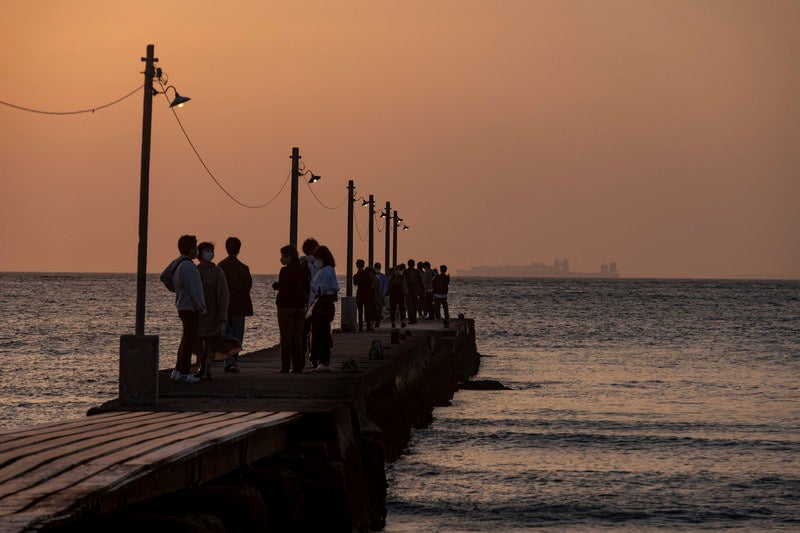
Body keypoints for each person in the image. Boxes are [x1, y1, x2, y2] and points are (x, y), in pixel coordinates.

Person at [162, 235, 205, 383]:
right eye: (195, 247)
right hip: (190, 307)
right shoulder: (189, 266)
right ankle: (185, 372)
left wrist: (176, 289)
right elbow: (195, 290)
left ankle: (178, 370)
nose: (197, 250)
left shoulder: (177, 263)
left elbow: (164, 276)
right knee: (189, 340)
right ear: (191, 248)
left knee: (185, 338)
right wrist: (201, 307)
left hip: (182, 305)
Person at [217, 236, 253, 373]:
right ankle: (232, 361)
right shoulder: (243, 267)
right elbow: (248, 286)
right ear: (239, 249)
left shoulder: (220, 267)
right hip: (239, 306)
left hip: (225, 306)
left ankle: (229, 360)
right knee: (237, 335)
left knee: (227, 334)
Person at [273, 244, 310, 373]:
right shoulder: (302, 271)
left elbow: (284, 287)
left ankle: (285, 366)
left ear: (288, 257)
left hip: (285, 307)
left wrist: (276, 286)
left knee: (286, 337)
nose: (281, 259)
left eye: (282, 256)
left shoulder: (285, 271)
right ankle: (298, 366)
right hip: (300, 307)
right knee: (298, 338)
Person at [195, 242, 229, 379]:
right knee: (198, 342)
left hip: (213, 312)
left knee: (210, 342)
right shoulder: (195, 270)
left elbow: (223, 294)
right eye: (207, 250)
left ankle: (207, 367)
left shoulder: (217, 271)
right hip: (198, 313)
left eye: (211, 250)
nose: (209, 253)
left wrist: (223, 315)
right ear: (200, 253)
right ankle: (200, 365)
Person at [309, 245, 339, 372]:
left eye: (317, 258)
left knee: (322, 333)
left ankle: (324, 361)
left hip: (324, 304)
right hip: (324, 304)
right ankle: (322, 360)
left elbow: (322, 289)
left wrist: (310, 285)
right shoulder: (326, 269)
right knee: (320, 333)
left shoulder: (327, 270)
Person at [299, 237, 320, 362]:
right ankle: (314, 356)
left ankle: (300, 357)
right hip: (316, 302)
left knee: (303, 332)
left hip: (303, 302)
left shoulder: (301, 263)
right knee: (315, 331)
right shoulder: (320, 264)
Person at [353, 259, 375, 332]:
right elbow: (371, 284)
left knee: (360, 311)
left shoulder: (356, 275)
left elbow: (355, 283)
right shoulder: (367, 274)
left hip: (360, 294)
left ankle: (360, 328)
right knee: (367, 310)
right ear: (363, 265)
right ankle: (368, 326)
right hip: (367, 294)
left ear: (357, 266)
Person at [404, 259, 423, 324]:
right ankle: (414, 318)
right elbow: (420, 281)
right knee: (415, 305)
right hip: (415, 290)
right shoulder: (416, 272)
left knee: (410, 305)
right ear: (414, 264)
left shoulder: (406, 272)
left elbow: (404, 282)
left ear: (408, 264)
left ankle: (410, 319)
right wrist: (421, 290)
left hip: (408, 291)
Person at [388, 263, 407, 328]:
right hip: (397, 294)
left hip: (396, 294)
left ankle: (399, 322)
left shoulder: (392, 277)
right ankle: (396, 322)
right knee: (397, 308)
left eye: (399, 270)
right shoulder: (400, 277)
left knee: (398, 308)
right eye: (397, 270)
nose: (398, 271)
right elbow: (404, 286)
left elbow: (389, 285)